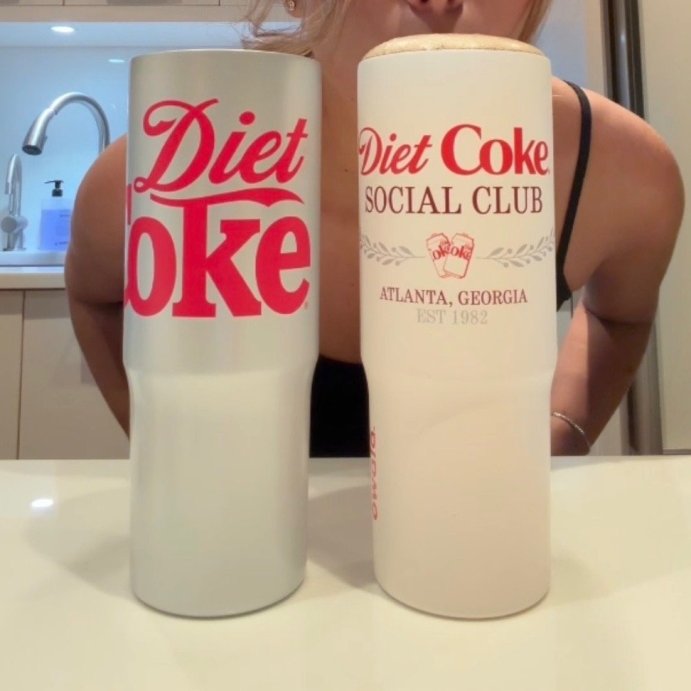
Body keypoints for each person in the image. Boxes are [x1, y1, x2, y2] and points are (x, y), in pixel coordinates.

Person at [65, 0, 684, 457]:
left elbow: (620, 316)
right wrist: (166, 450)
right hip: (250, 562)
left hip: (474, 554)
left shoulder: (618, 170)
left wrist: (565, 429)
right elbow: (95, 295)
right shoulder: (179, 171)